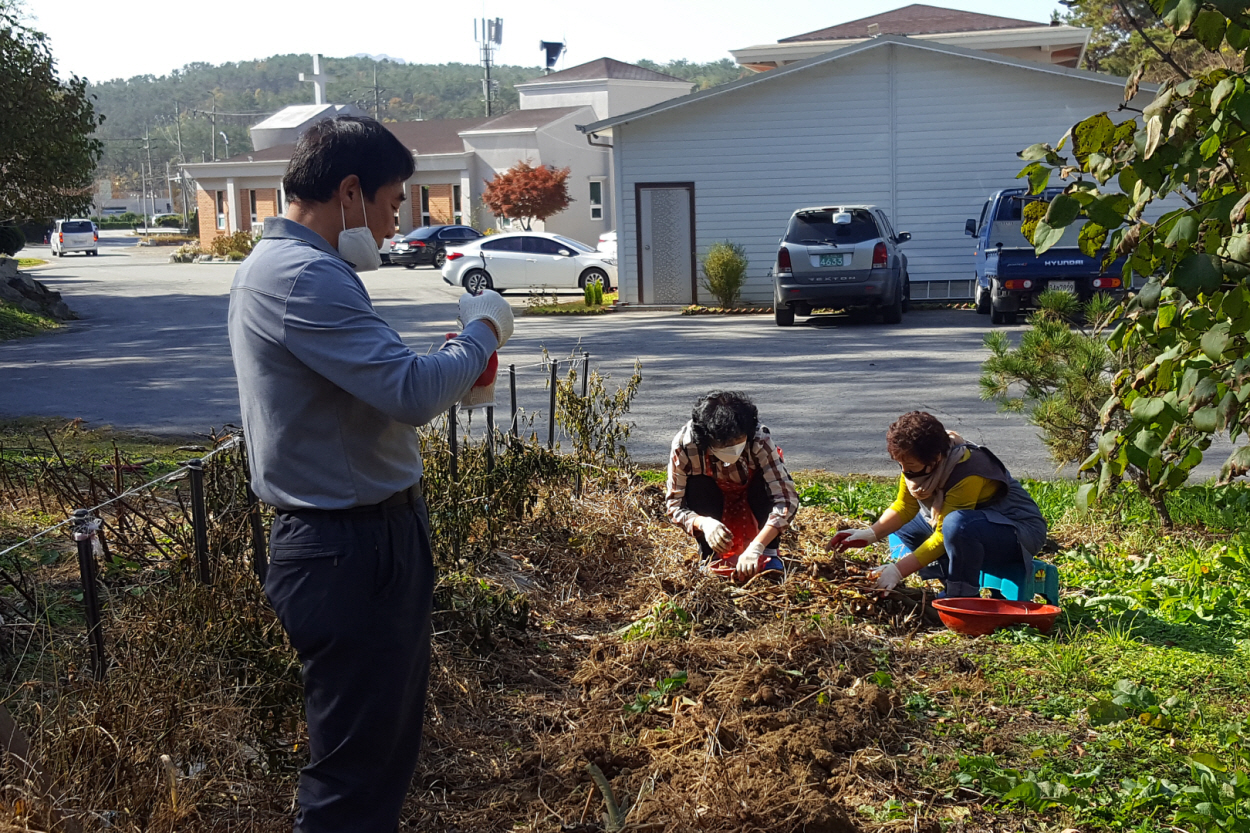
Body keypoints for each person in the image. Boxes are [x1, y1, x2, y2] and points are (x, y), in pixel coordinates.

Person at [227, 116, 514, 833]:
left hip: (360, 540)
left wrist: (448, 364)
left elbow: (388, 382)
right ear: (349, 191)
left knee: (377, 758)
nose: (394, 223)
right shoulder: (303, 276)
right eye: (392, 203)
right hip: (348, 549)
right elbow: (411, 394)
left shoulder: (303, 271)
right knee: (354, 773)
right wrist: (484, 328)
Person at [830, 411, 1047, 598]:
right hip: (974, 526)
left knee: (958, 526)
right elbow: (905, 507)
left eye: (911, 465)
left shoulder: (967, 470)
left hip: (1017, 532)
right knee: (909, 525)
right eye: (900, 463)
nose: (905, 470)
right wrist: (869, 534)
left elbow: (946, 534)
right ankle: (946, 575)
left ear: (936, 458)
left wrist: (898, 570)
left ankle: (961, 595)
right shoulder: (916, 467)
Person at [666, 391, 799, 581]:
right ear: (706, 438)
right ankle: (711, 556)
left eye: (738, 441)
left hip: (754, 495)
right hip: (711, 499)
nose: (733, 447)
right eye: (723, 444)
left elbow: (786, 499)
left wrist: (757, 547)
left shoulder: (759, 439)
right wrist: (704, 523)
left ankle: (769, 554)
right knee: (698, 484)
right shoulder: (685, 446)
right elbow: (674, 505)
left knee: (766, 483)